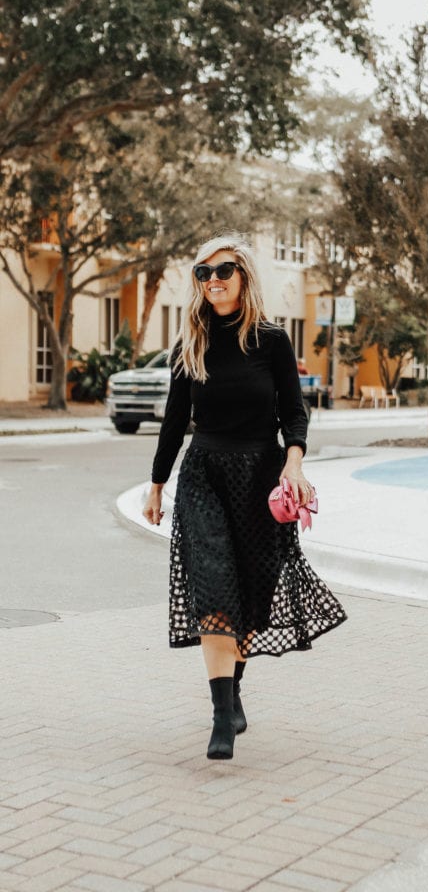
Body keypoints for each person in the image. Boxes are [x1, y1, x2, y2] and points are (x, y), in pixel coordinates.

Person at [143, 234, 347, 760]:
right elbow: (173, 422)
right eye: (202, 273)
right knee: (214, 592)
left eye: (223, 270)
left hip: (260, 477)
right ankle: (220, 716)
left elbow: (293, 412)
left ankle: (232, 691)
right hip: (205, 477)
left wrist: (294, 462)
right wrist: (157, 484)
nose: (212, 281)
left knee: (252, 596)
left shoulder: (271, 341)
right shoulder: (189, 343)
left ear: (244, 276)